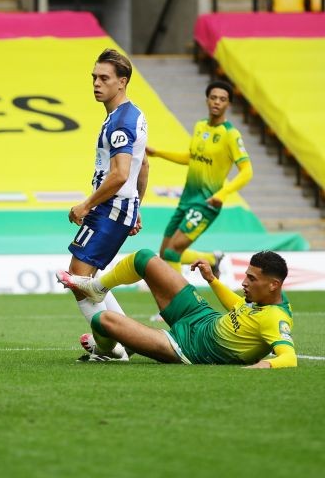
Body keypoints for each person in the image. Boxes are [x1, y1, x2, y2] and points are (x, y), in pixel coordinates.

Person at [57, 249, 296, 368]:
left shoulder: (276, 319)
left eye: (252, 279)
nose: (244, 283)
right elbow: (237, 306)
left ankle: (107, 350)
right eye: (246, 276)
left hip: (186, 347)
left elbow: (289, 357)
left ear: (273, 284)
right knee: (145, 258)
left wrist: (264, 365)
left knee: (103, 320)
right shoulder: (264, 299)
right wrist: (212, 280)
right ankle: (97, 287)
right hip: (201, 316)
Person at [58, 48, 149, 361]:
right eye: (94, 77)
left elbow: (121, 174)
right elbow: (144, 165)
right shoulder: (130, 114)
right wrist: (137, 207)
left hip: (109, 208)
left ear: (121, 82)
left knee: (78, 278)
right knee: (91, 282)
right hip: (122, 207)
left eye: (104, 78)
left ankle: (113, 347)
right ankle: (128, 339)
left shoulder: (120, 121)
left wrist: (85, 205)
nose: (96, 83)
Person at [147, 80, 253, 278]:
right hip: (187, 198)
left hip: (207, 202)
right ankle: (212, 259)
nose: (217, 102)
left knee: (172, 252)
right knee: (164, 253)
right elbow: (191, 157)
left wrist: (222, 194)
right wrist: (158, 153)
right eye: (213, 98)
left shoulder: (231, 135)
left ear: (228, 104)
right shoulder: (200, 126)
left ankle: (176, 307)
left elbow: (247, 170)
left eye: (222, 99)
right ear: (207, 100)